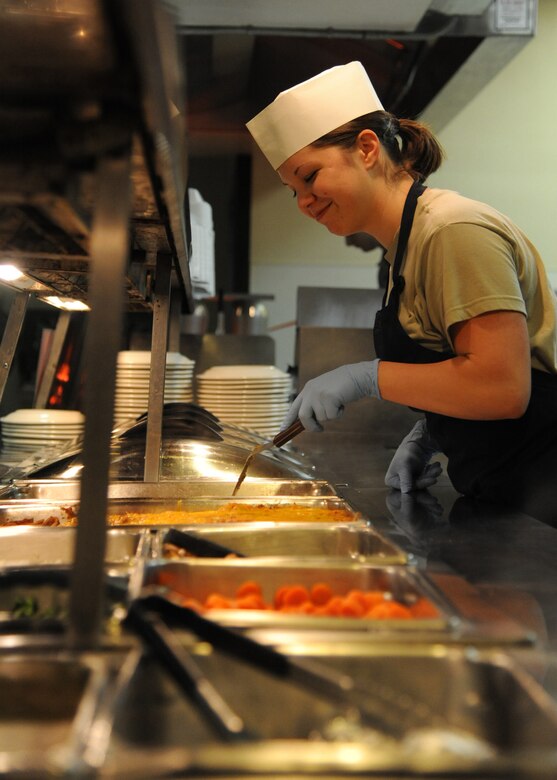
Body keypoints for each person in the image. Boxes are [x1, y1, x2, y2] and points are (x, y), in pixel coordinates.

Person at [246, 61, 557, 526]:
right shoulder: (403, 252)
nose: (305, 202)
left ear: (367, 149)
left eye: (309, 177)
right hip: (508, 491)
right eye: (293, 191)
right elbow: (461, 361)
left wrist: (365, 376)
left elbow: (503, 387)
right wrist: (433, 429)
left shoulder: (452, 230)